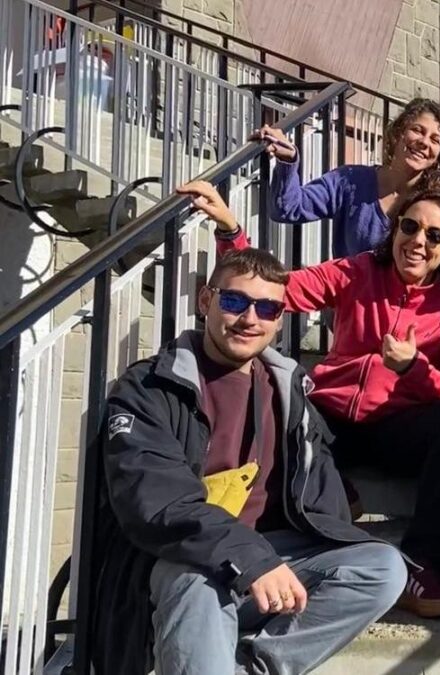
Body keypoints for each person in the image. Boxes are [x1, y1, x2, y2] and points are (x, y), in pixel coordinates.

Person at [91, 246, 407, 675]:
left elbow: (321, 497)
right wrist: (250, 559)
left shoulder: (290, 390)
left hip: (269, 558)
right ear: (206, 301)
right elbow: (158, 504)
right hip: (176, 559)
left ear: (279, 319)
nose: (249, 318)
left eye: (267, 308)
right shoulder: (150, 388)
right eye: (234, 301)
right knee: (199, 581)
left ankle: (251, 667)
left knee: (381, 568)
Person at [182, 180, 440, 619]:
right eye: (410, 226)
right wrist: (231, 231)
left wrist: (412, 369)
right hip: (332, 419)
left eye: (434, 235)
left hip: (401, 424)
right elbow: (276, 289)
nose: (419, 241)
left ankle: (424, 566)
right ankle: (328, 502)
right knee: (281, 391)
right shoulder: (358, 271)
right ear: (395, 229)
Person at [255, 98, 440, 258]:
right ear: (398, 133)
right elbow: (288, 208)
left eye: (435, 140)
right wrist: (288, 159)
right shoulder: (349, 181)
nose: (424, 142)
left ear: (439, 155)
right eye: (417, 130)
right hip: (351, 299)